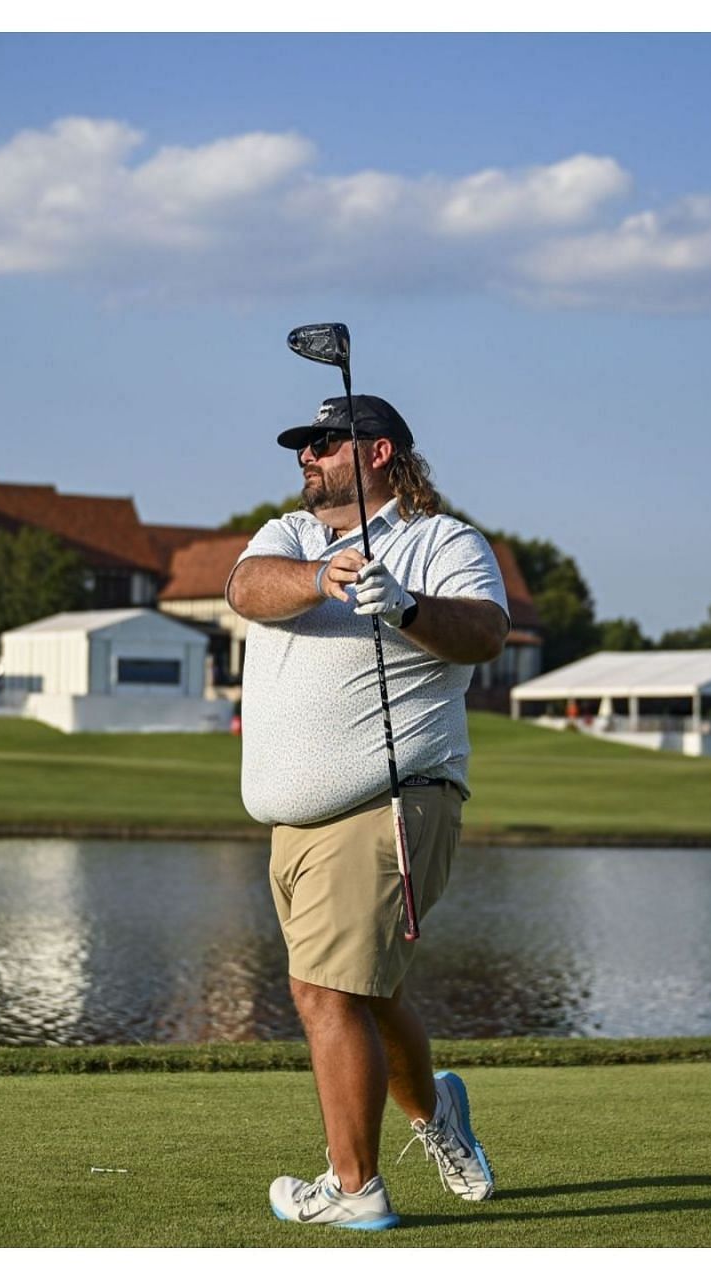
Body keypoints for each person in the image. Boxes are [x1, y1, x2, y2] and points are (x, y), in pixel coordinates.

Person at [227, 392, 509, 1230]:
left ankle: (355, 1193)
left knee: (322, 992)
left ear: (378, 452)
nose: (305, 455)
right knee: (368, 995)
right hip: (295, 822)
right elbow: (245, 586)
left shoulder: (442, 542)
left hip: (390, 800)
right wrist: (325, 576)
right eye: (302, 444)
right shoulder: (291, 535)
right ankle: (436, 1115)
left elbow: (488, 633)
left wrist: (407, 605)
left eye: (322, 442)